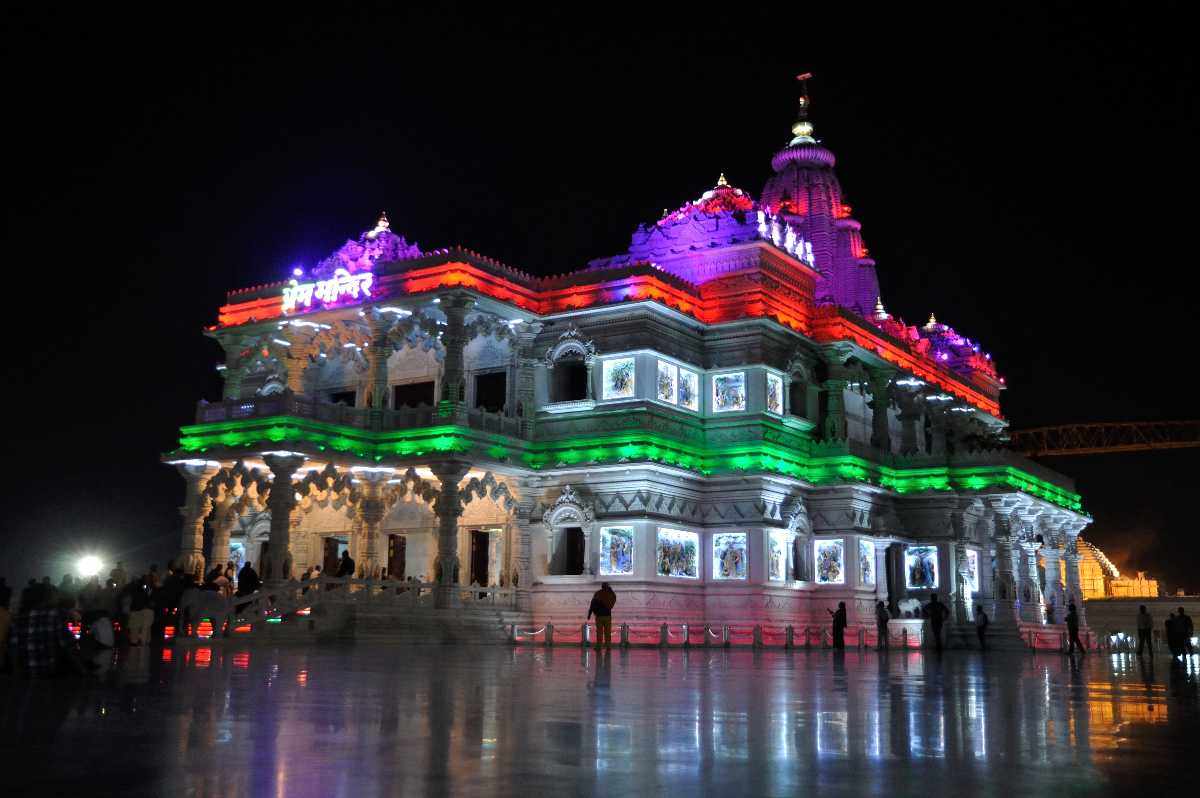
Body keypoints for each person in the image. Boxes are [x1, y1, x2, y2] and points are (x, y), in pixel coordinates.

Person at [587, 582, 617, 649]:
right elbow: (613, 600)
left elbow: (592, 604)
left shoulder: (598, 593)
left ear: (602, 587)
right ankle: (608, 646)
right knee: (608, 632)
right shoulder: (611, 593)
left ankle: (599, 646)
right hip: (608, 615)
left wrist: (589, 614)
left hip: (599, 616)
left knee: (599, 632)